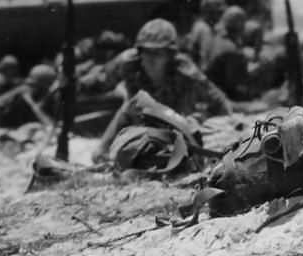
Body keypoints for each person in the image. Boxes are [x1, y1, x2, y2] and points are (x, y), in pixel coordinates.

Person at [96, 19, 231, 161]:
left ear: (170, 56)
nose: (150, 59)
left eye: (157, 53)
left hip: (175, 121)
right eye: (146, 52)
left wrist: (222, 127)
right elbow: (100, 80)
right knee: (98, 155)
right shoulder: (127, 63)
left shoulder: (187, 73)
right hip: (135, 117)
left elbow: (217, 99)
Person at [205, 5, 252, 100]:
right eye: (243, 22)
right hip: (223, 96)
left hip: (213, 88)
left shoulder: (217, 37)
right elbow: (234, 85)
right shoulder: (231, 49)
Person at [185, 0, 227, 71]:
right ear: (210, 12)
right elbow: (205, 62)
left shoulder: (207, 25)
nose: (221, 15)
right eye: (218, 12)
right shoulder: (203, 29)